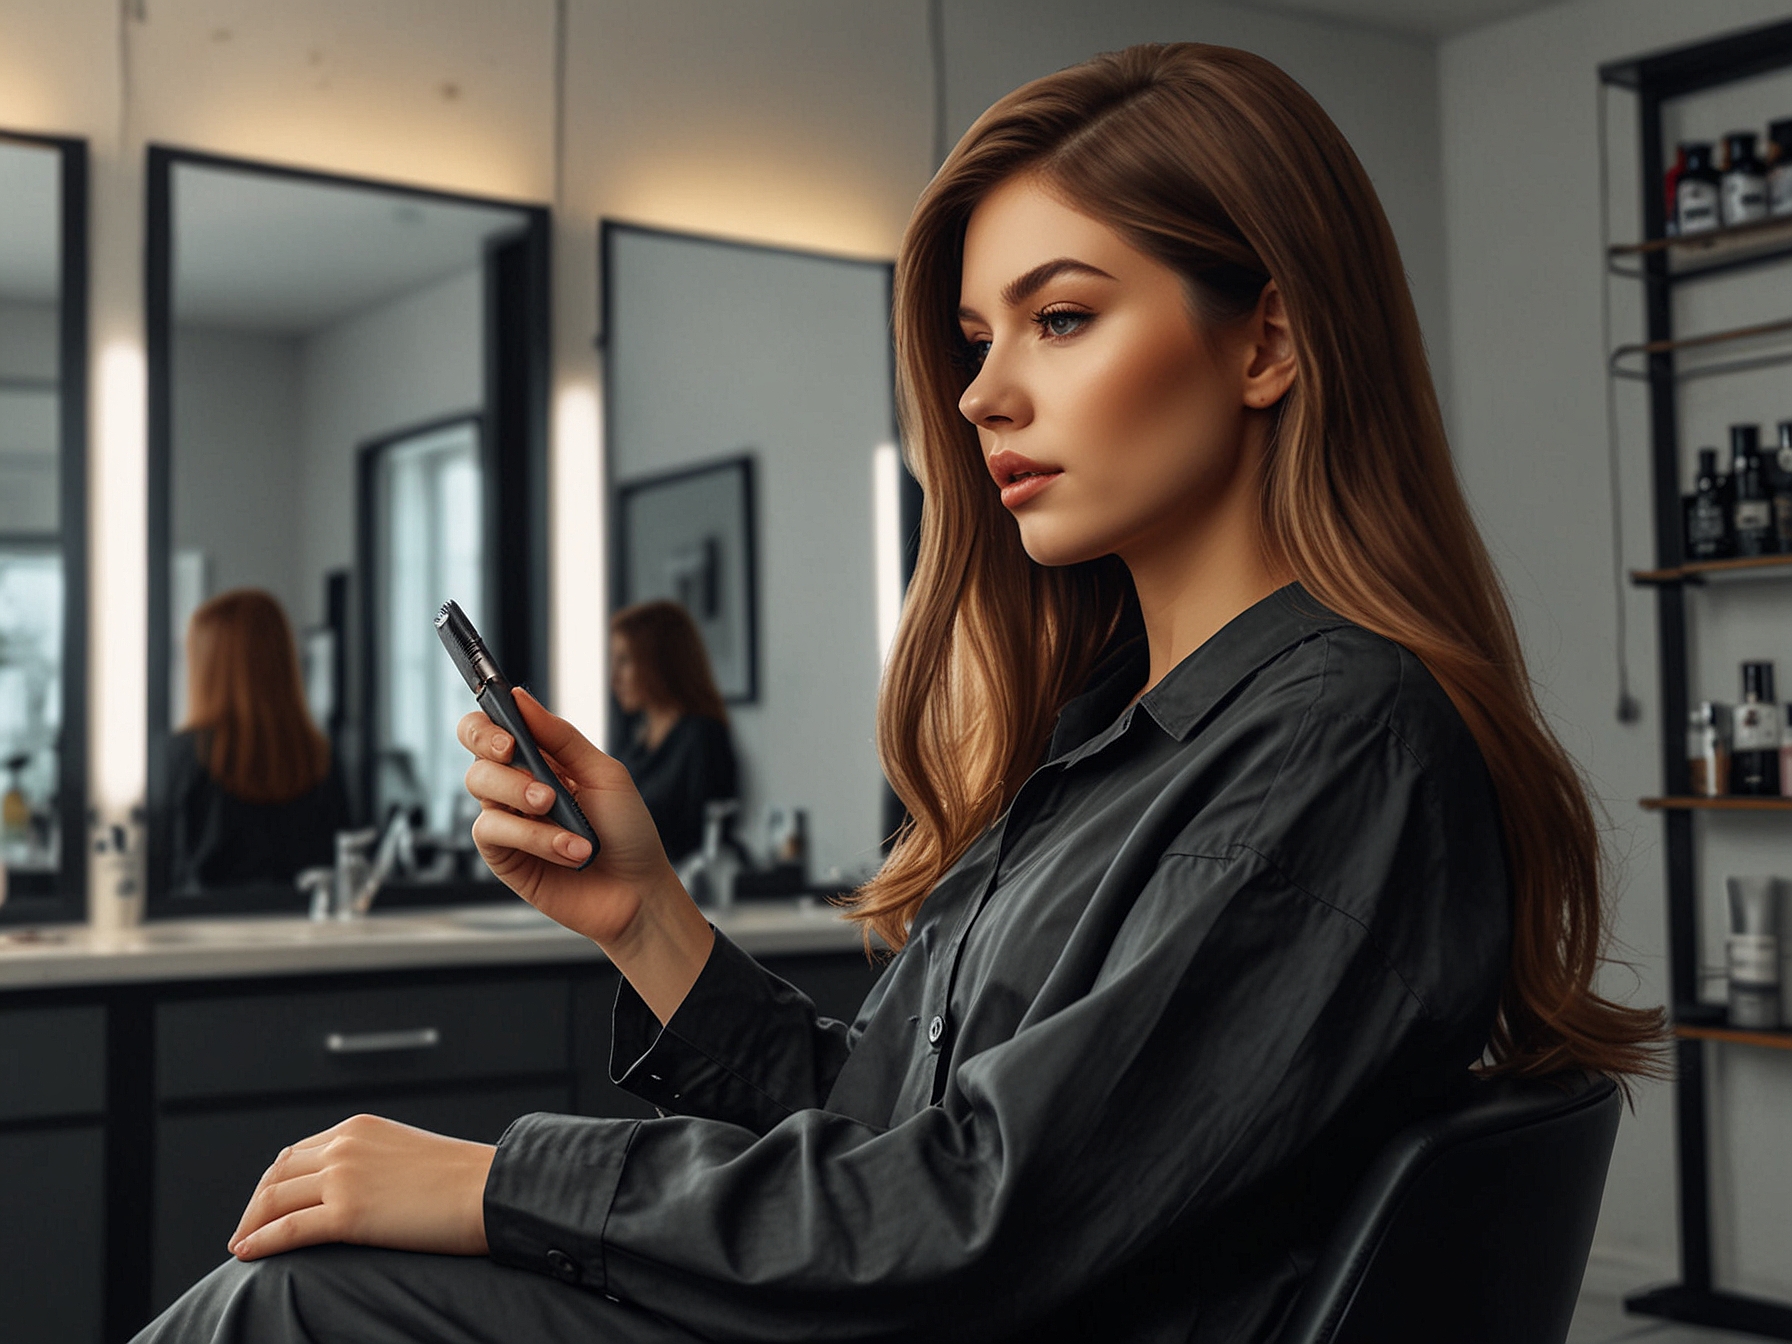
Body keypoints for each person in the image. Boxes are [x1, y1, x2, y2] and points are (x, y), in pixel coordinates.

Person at [134, 43, 1662, 1343]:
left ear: (1265, 337)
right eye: (979, 340)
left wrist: (496, 1183)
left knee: (296, 1305)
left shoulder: (1337, 747)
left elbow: (976, 1217)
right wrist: (648, 920)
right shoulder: (1115, 745)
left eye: (1061, 318)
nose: (987, 390)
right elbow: (895, 1143)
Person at [166, 589, 349, 893]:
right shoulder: (319, 757)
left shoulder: (180, 757)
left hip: (204, 931)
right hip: (304, 932)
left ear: (205, 667)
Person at [608, 599, 738, 863]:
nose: (615, 678)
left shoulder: (701, 735)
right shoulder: (636, 740)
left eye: (625, 661)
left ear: (657, 662)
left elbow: (704, 835)